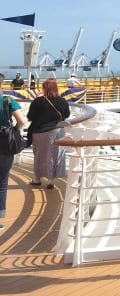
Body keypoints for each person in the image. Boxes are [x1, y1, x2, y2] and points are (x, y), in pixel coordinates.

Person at [26, 78, 70, 189]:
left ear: (43, 89)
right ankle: (50, 181)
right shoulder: (62, 101)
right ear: (56, 88)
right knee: (53, 156)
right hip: (56, 132)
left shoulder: (38, 101)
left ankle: (37, 179)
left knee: (39, 156)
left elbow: (30, 117)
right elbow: (67, 115)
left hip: (39, 132)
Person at [1, 73, 27, 230]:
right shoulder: (8, 100)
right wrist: (13, 131)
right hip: (4, 143)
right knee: (2, 182)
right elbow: (22, 121)